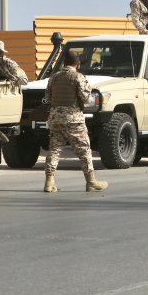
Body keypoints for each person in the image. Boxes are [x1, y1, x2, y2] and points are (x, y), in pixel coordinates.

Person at [43, 50, 108, 193]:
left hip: (55, 119)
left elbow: (47, 98)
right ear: (77, 63)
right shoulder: (78, 77)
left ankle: (49, 182)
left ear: (64, 62)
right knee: (84, 150)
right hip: (73, 120)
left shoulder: (54, 77)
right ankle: (91, 182)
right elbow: (86, 99)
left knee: (54, 150)